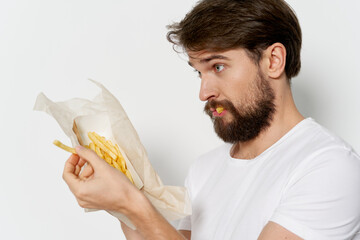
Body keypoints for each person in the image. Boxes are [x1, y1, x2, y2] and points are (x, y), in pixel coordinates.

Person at [62, 0, 360, 239]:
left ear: (273, 61)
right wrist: (122, 201)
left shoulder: (330, 166)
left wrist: (132, 204)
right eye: (198, 72)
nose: (204, 92)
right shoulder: (205, 169)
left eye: (218, 66)